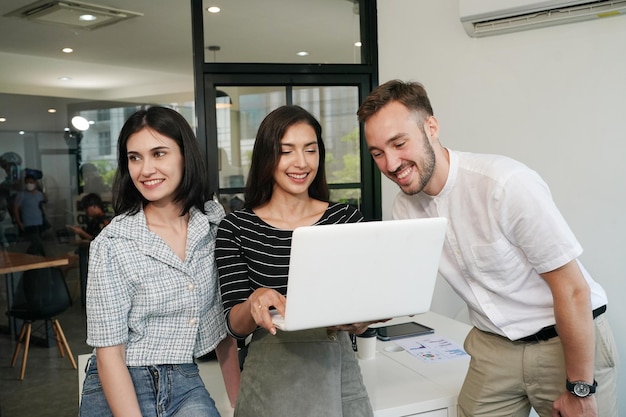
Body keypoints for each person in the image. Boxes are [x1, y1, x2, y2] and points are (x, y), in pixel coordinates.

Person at [357, 80, 618, 417]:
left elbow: (572, 290)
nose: (390, 163)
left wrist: (580, 389)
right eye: (377, 152)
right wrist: (346, 316)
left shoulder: (505, 183)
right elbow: (400, 291)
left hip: (565, 340)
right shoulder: (405, 207)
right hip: (493, 346)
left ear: (431, 127)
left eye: (399, 143)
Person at [79, 106, 240, 417]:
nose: (145, 169)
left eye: (159, 153)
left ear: (184, 155)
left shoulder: (213, 226)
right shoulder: (112, 244)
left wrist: (239, 401)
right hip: (119, 380)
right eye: (135, 157)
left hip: (184, 379)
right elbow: (109, 352)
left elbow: (221, 324)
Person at [215, 105, 374, 417]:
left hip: (337, 371)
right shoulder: (236, 227)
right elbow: (233, 324)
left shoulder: (345, 219)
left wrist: (362, 321)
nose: (301, 162)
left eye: (310, 150)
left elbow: (363, 303)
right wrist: (254, 302)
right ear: (266, 157)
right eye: (287, 151)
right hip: (267, 378)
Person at [12, 173, 47, 255]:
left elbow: (42, 206)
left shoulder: (39, 194)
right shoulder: (21, 195)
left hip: (39, 222)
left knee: (38, 244)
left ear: (35, 183)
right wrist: (19, 222)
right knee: (37, 243)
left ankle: (34, 259)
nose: (29, 184)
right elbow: (15, 209)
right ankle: (40, 258)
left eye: (31, 182)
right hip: (29, 223)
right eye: (27, 182)